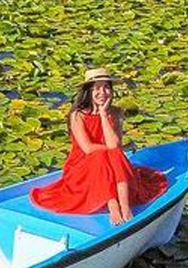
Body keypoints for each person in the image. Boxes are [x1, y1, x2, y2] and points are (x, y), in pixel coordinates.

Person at [29, 67, 167, 225]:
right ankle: (113, 205)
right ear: (88, 91)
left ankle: (125, 205)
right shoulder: (77, 115)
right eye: (97, 88)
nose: (102, 92)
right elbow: (87, 148)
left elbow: (115, 144)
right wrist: (110, 150)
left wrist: (103, 114)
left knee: (113, 153)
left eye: (106, 87)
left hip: (111, 160)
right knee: (104, 155)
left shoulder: (115, 112)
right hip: (82, 166)